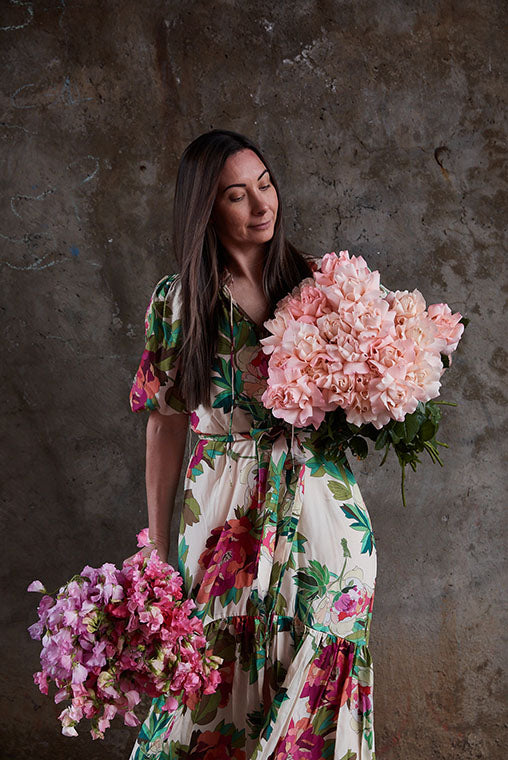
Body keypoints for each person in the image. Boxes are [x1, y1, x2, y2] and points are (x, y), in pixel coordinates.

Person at [128, 129, 376, 759]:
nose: (262, 205)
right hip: (221, 520)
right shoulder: (180, 302)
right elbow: (164, 424)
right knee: (212, 686)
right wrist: (157, 550)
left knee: (318, 678)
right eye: (238, 196)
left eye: (265, 184)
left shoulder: (321, 287)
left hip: (323, 514)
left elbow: (363, 399)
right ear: (206, 210)